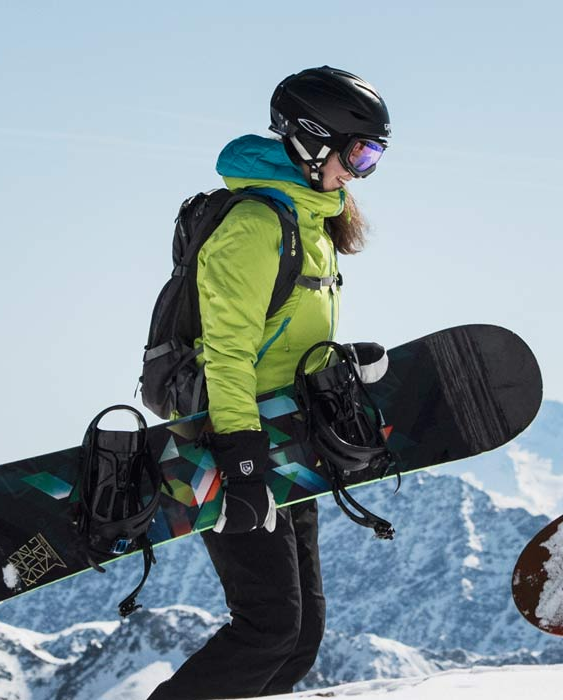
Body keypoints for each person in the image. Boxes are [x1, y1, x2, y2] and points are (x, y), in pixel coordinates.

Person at [149, 65, 390, 700]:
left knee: (299, 642)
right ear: (312, 141)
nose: (360, 171)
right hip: (233, 443)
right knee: (268, 631)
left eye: (374, 157)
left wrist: (338, 364)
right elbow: (227, 354)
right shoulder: (256, 226)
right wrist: (242, 461)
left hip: (289, 439)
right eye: (358, 153)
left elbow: (279, 339)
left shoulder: (312, 224)